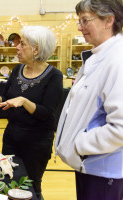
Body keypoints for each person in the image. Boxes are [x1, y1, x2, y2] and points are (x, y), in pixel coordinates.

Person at [0, 26, 63, 199]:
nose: (17, 47)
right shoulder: (17, 70)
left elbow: (46, 113)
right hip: (11, 137)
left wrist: (24, 101)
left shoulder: (54, 76)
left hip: (36, 142)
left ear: (36, 49)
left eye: (22, 44)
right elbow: (7, 98)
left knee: (31, 186)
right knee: (10, 181)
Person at [55, 0, 123, 199]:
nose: (79, 27)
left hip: (103, 170)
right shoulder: (99, 56)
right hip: (89, 165)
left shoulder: (117, 61)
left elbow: (120, 127)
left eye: (85, 21)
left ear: (108, 20)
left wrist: (80, 145)